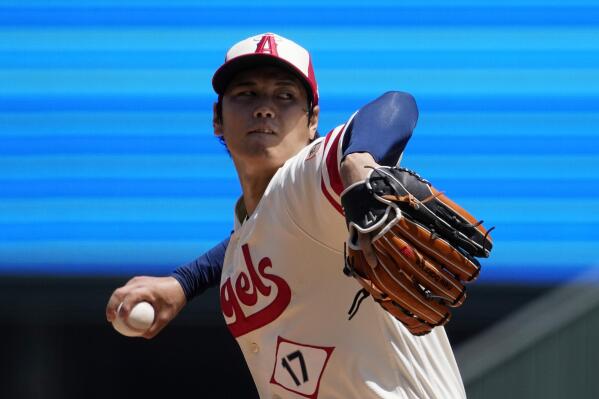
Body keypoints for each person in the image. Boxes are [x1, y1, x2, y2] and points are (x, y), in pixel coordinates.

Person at [106, 33, 466, 398]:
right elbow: (256, 234)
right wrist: (184, 283)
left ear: (313, 122)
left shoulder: (306, 179)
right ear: (217, 118)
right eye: (247, 94)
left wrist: (358, 161)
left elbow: (396, 105)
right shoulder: (257, 229)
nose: (265, 108)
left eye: (285, 96)